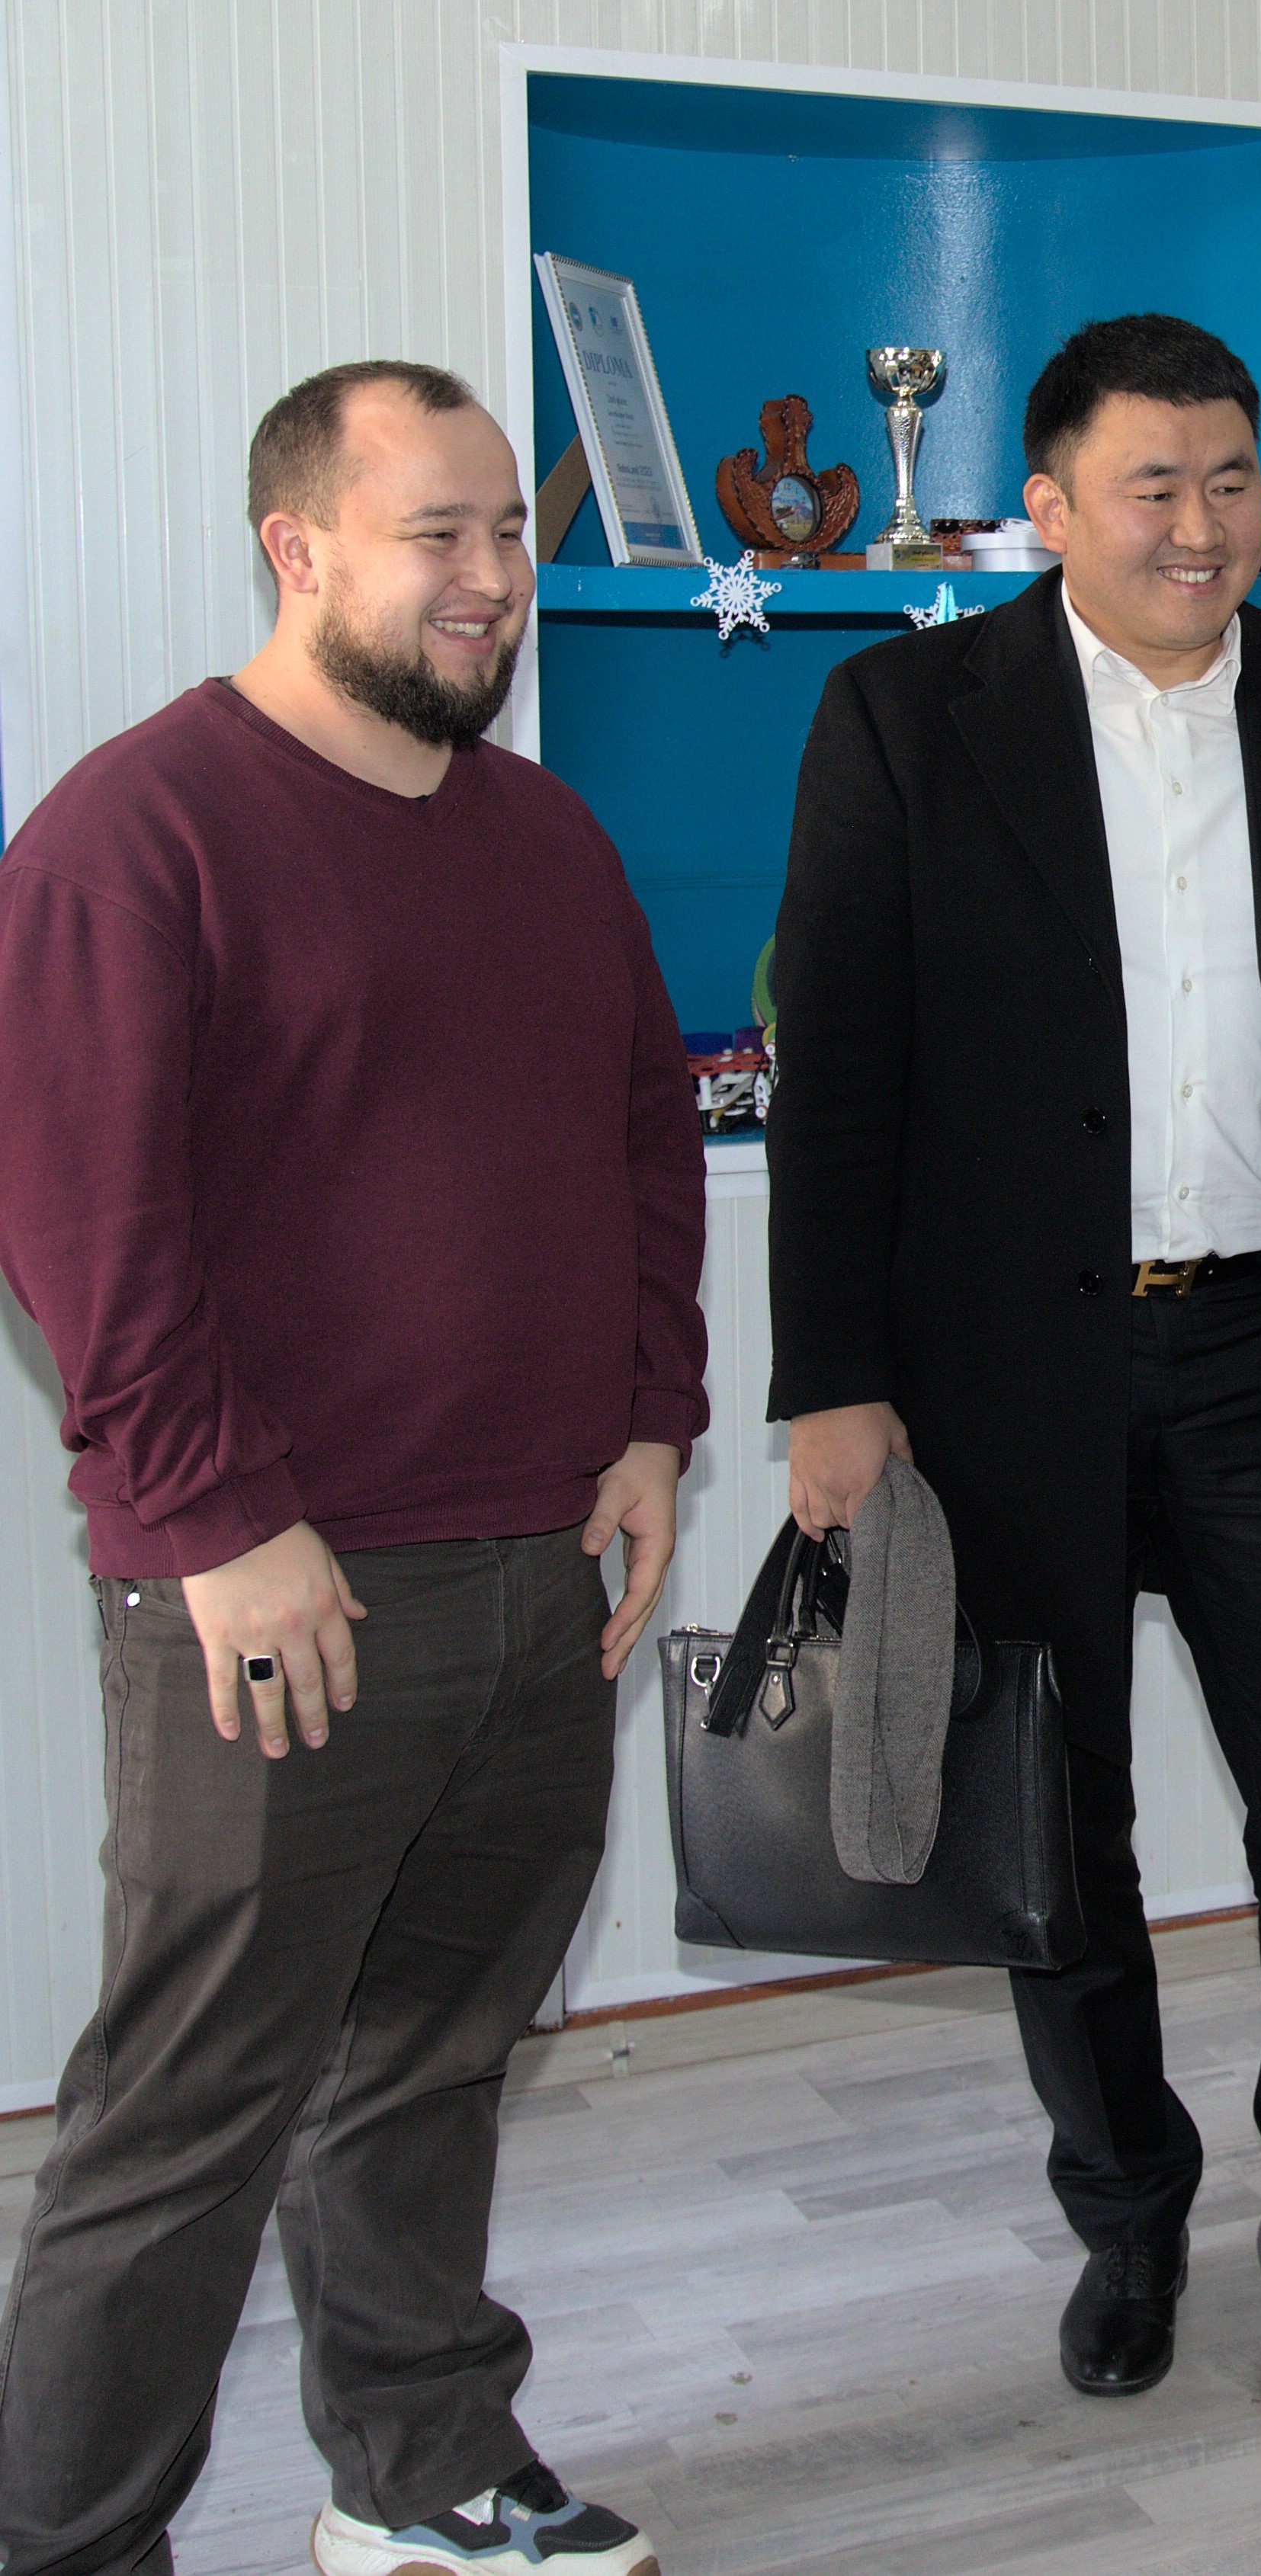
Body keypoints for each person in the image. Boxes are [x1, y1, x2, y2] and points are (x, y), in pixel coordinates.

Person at [0, 362, 697, 2576]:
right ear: (296, 547)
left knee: (433, 2055)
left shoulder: (548, 840)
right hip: (275, 1594)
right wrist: (219, 1518)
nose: (494, 577)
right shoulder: (135, 832)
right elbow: (82, 1222)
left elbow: (642, 1137)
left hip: (538, 1570)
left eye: (506, 531)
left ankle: (422, 2472)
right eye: (438, 536)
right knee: (184, 2116)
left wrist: (655, 1417)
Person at [767, 313, 1261, 2394]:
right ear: (1051, 506)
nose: (1201, 524)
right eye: (1154, 485)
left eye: (1232, 479)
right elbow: (839, 1076)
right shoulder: (907, 714)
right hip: (1015, 1368)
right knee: (1051, 1812)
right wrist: (832, 1380)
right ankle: (1125, 2206)